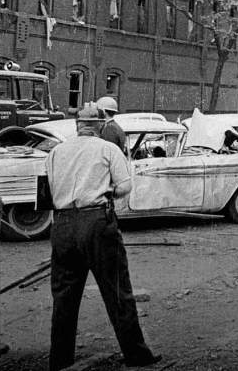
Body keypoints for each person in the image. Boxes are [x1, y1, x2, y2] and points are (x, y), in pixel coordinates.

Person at [44, 104, 160, 370]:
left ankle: (60, 361)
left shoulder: (56, 152)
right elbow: (124, 187)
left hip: (62, 224)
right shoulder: (108, 149)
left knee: (64, 297)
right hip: (96, 221)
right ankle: (136, 355)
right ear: (100, 125)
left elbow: (48, 190)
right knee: (117, 290)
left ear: (77, 125)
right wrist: (105, 191)